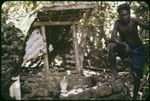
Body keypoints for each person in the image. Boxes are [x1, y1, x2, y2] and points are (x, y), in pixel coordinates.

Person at [108, 3, 149, 100]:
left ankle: (134, 96)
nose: (124, 17)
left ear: (129, 14)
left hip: (138, 49)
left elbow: (146, 26)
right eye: (121, 15)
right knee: (112, 46)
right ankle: (114, 72)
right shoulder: (117, 23)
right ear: (119, 15)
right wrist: (124, 45)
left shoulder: (134, 20)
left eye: (126, 14)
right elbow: (113, 38)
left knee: (137, 76)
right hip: (125, 49)